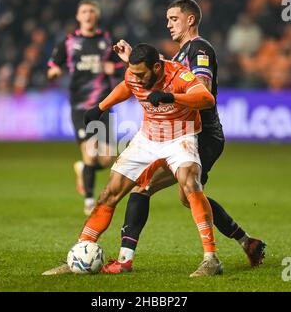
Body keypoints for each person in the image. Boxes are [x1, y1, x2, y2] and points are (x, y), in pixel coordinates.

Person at [102, 0, 266, 273]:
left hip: (201, 133)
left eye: (173, 18)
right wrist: (133, 59)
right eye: (167, 19)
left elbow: (200, 89)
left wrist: (168, 96)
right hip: (185, 133)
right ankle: (246, 242)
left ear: (190, 20)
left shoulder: (199, 49)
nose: (168, 24)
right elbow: (159, 72)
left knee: (146, 187)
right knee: (186, 194)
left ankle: (130, 260)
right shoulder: (180, 55)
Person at [44, 43, 223, 277]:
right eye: (134, 73)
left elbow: (206, 98)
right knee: (110, 193)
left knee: (190, 183)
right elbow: (126, 86)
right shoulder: (134, 74)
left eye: (142, 74)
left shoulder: (179, 74)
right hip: (147, 138)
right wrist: (100, 107)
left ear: (157, 67)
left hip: (180, 136)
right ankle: (80, 253)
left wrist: (171, 96)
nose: (136, 78)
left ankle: (211, 259)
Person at [47, 0, 124, 215]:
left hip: (104, 105)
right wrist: (54, 72)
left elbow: (122, 67)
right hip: (81, 107)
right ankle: (90, 201)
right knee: (90, 153)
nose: (88, 15)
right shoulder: (69, 42)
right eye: (84, 11)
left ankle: (82, 169)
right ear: (78, 17)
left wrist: (114, 68)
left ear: (96, 15)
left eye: (91, 11)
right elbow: (53, 64)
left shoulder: (107, 41)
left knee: (107, 159)